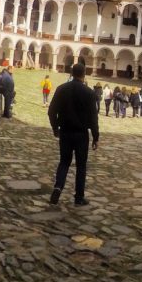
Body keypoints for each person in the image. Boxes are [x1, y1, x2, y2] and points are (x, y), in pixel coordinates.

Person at [47, 62, 100, 207]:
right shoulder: (89, 93)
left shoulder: (61, 89)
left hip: (65, 132)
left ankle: (58, 187)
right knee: (81, 166)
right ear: (84, 74)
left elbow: (51, 111)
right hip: (81, 134)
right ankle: (79, 197)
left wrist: (55, 127)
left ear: (71, 73)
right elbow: (94, 117)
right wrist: (95, 137)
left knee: (64, 162)